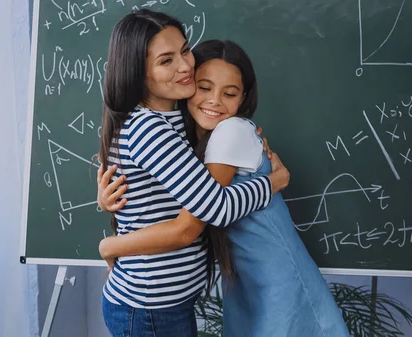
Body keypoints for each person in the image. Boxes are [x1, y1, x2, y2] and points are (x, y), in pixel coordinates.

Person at [98, 39, 350, 337]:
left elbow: (195, 219)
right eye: (204, 88)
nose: (215, 101)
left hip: (275, 277)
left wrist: (110, 245)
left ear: (243, 97)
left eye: (229, 93)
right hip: (248, 281)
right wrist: (105, 200)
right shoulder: (182, 131)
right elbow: (159, 188)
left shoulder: (229, 131)